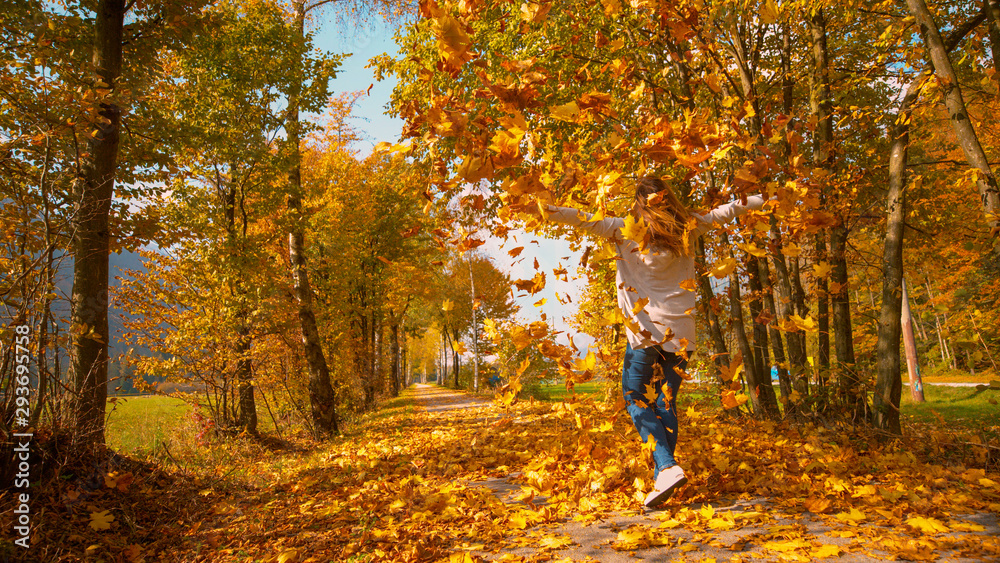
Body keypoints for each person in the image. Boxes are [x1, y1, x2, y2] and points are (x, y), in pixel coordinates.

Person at [540, 176, 766, 508]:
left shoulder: (622, 228)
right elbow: (727, 211)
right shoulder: (688, 226)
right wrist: (769, 196)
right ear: (668, 198)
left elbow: (582, 218)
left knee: (634, 398)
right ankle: (666, 472)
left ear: (639, 202)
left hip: (645, 333)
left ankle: (668, 466)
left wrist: (548, 211)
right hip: (682, 333)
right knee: (665, 402)